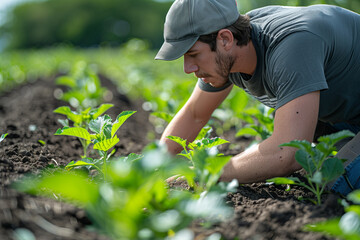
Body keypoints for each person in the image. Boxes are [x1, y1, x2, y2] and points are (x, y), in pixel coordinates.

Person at [155, 0, 360, 196]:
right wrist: (149, 174)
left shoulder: (289, 46)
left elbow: (286, 154)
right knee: (311, 159)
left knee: (333, 183)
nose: (187, 68)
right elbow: (195, 114)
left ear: (225, 39)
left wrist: (203, 174)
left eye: (193, 54)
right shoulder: (233, 51)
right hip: (350, 111)